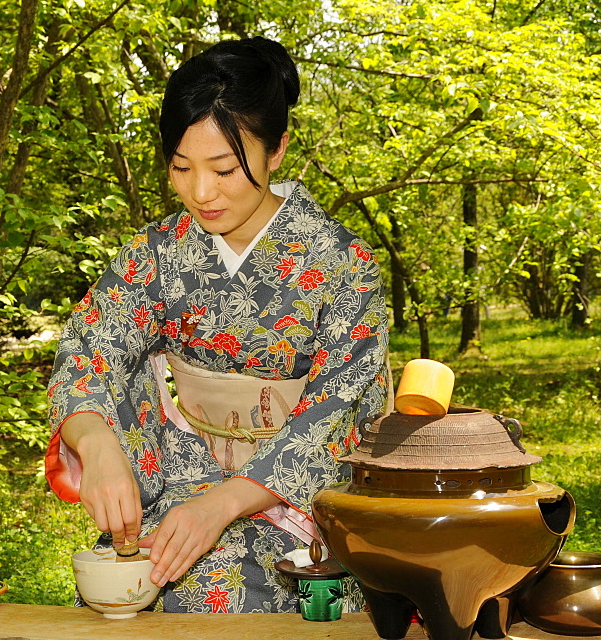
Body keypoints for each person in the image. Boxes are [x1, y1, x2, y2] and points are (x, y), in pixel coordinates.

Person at [44, 36, 389, 613]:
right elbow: (88, 348)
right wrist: (97, 442)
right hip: (177, 479)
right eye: (181, 167)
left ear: (275, 150)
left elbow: (342, 407)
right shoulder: (157, 254)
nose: (200, 193)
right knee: (127, 585)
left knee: (222, 593)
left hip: (295, 506)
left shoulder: (342, 263)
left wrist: (224, 503)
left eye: (224, 168)